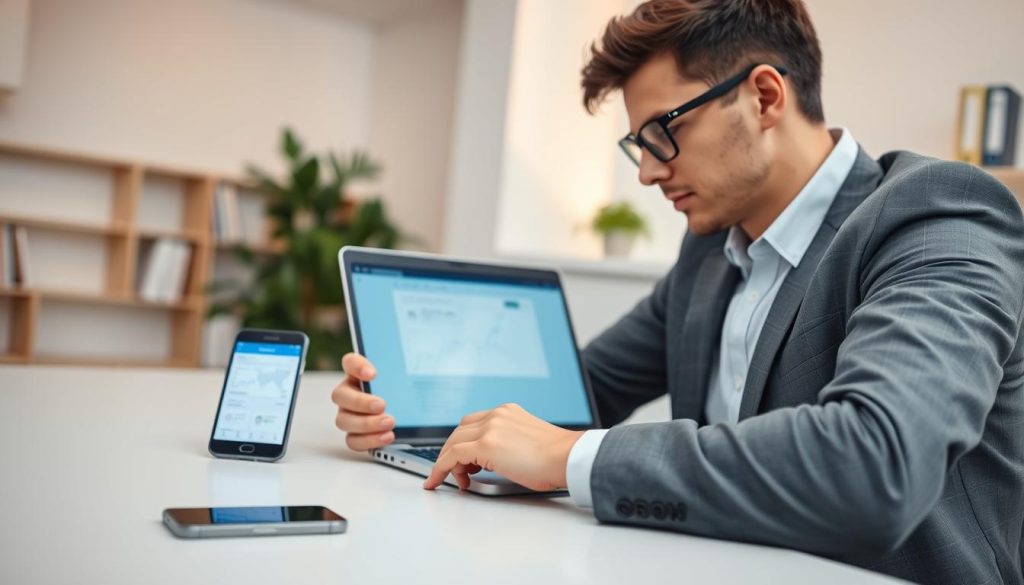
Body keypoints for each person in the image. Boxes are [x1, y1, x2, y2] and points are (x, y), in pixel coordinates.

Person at [330, 1, 1024, 582]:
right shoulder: (710, 252)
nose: (648, 173)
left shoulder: (936, 215)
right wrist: (411, 415)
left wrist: (569, 456)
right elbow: (582, 390)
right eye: (639, 144)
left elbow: (877, 462)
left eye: (665, 132)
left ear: (764, 97)